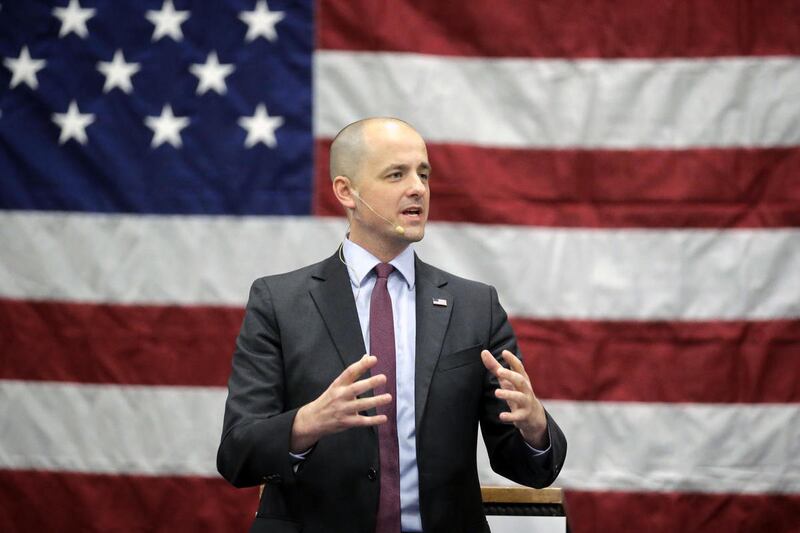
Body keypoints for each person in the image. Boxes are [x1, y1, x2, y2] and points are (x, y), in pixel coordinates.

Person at [217, 117, 567, 533]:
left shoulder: (475, 305)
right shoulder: (280, 302)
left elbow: (529, 468)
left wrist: (533, 427)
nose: (418, 188)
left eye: (424, 173)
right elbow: (237, 455)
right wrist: (307, 423)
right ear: (346, 191)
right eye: (396, 174)